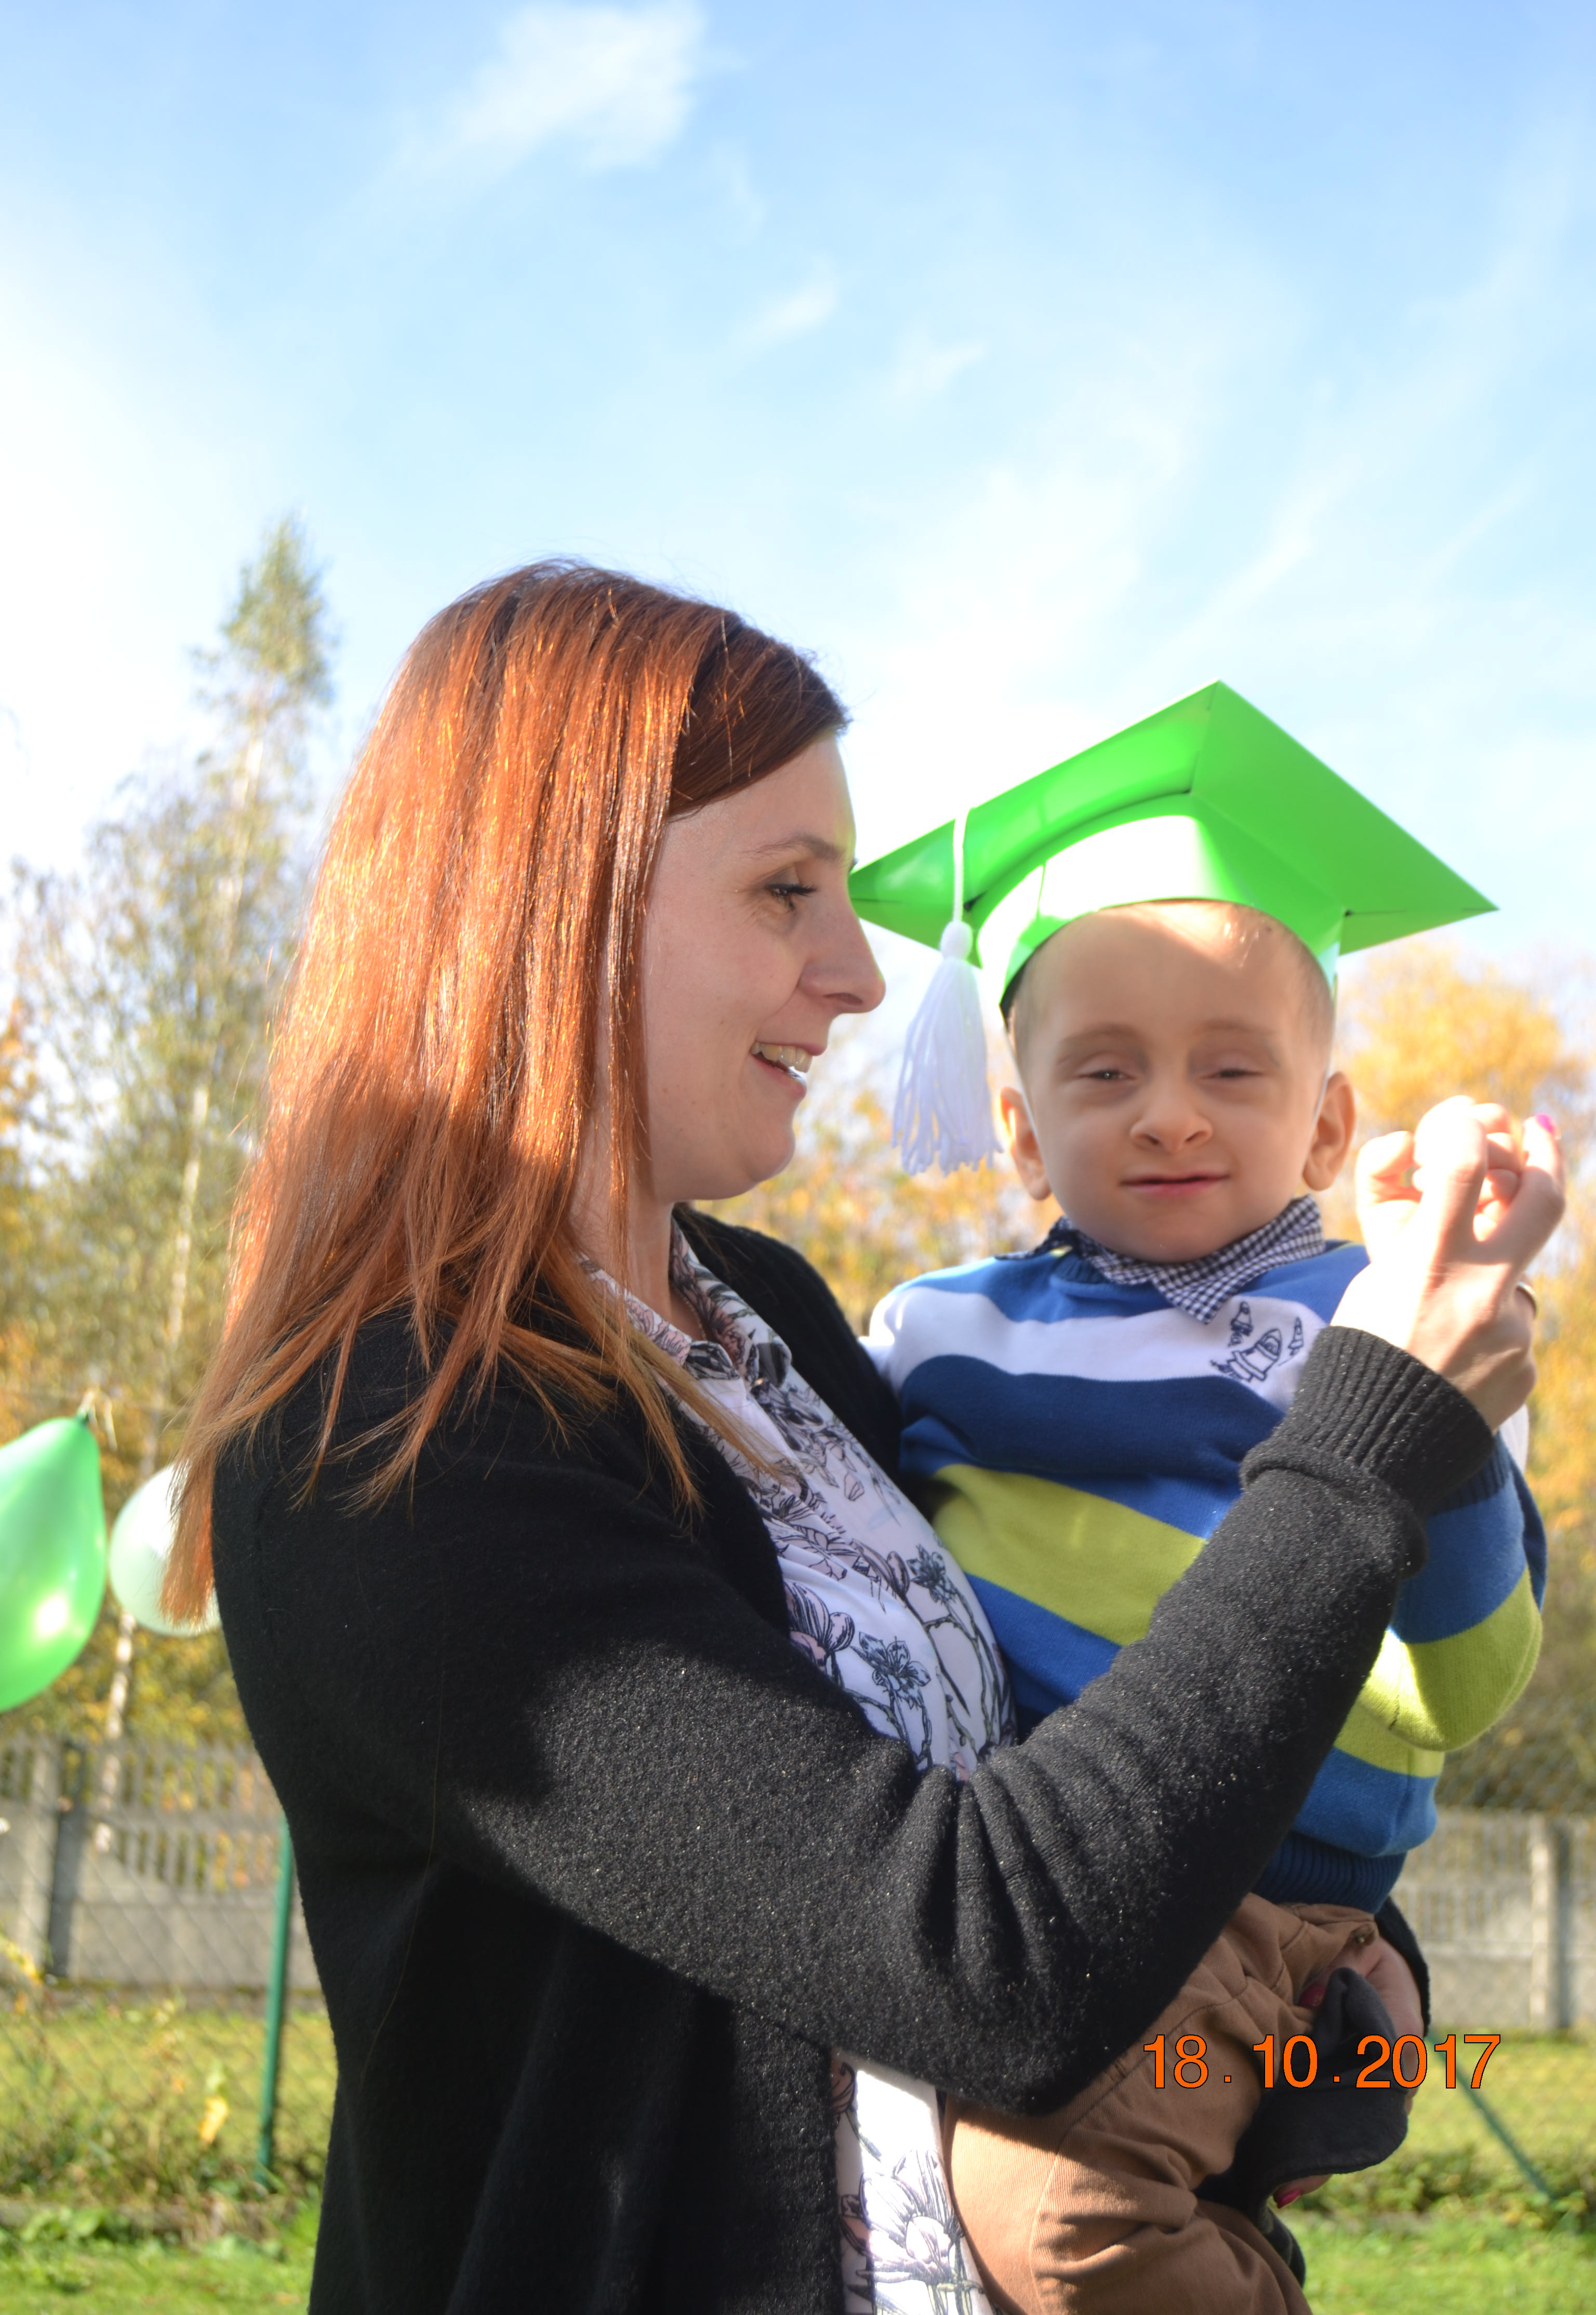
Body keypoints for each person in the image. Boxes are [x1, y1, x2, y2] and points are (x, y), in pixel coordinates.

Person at [166, 572, 1560, 2315]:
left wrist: (1331, 1971)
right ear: (556, 905)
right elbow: (980, 1958)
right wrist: (1374, 1430)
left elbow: (1110, 1746)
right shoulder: (387, 1449)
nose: (855, 971)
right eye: (786, 892)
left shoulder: (770, 1321)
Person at [859, 691, 1551, 2311]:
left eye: (1232, 1067)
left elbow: (1468, 1686)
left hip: (1267, 1915)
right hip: (1050, 1878)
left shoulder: (1381, 1317)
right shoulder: (937, 1332)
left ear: (1329, 1121)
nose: (1169, 1109)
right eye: (1105, 1069)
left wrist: (1430, 1396)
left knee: (1055, 2209)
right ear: (1022, 1130)